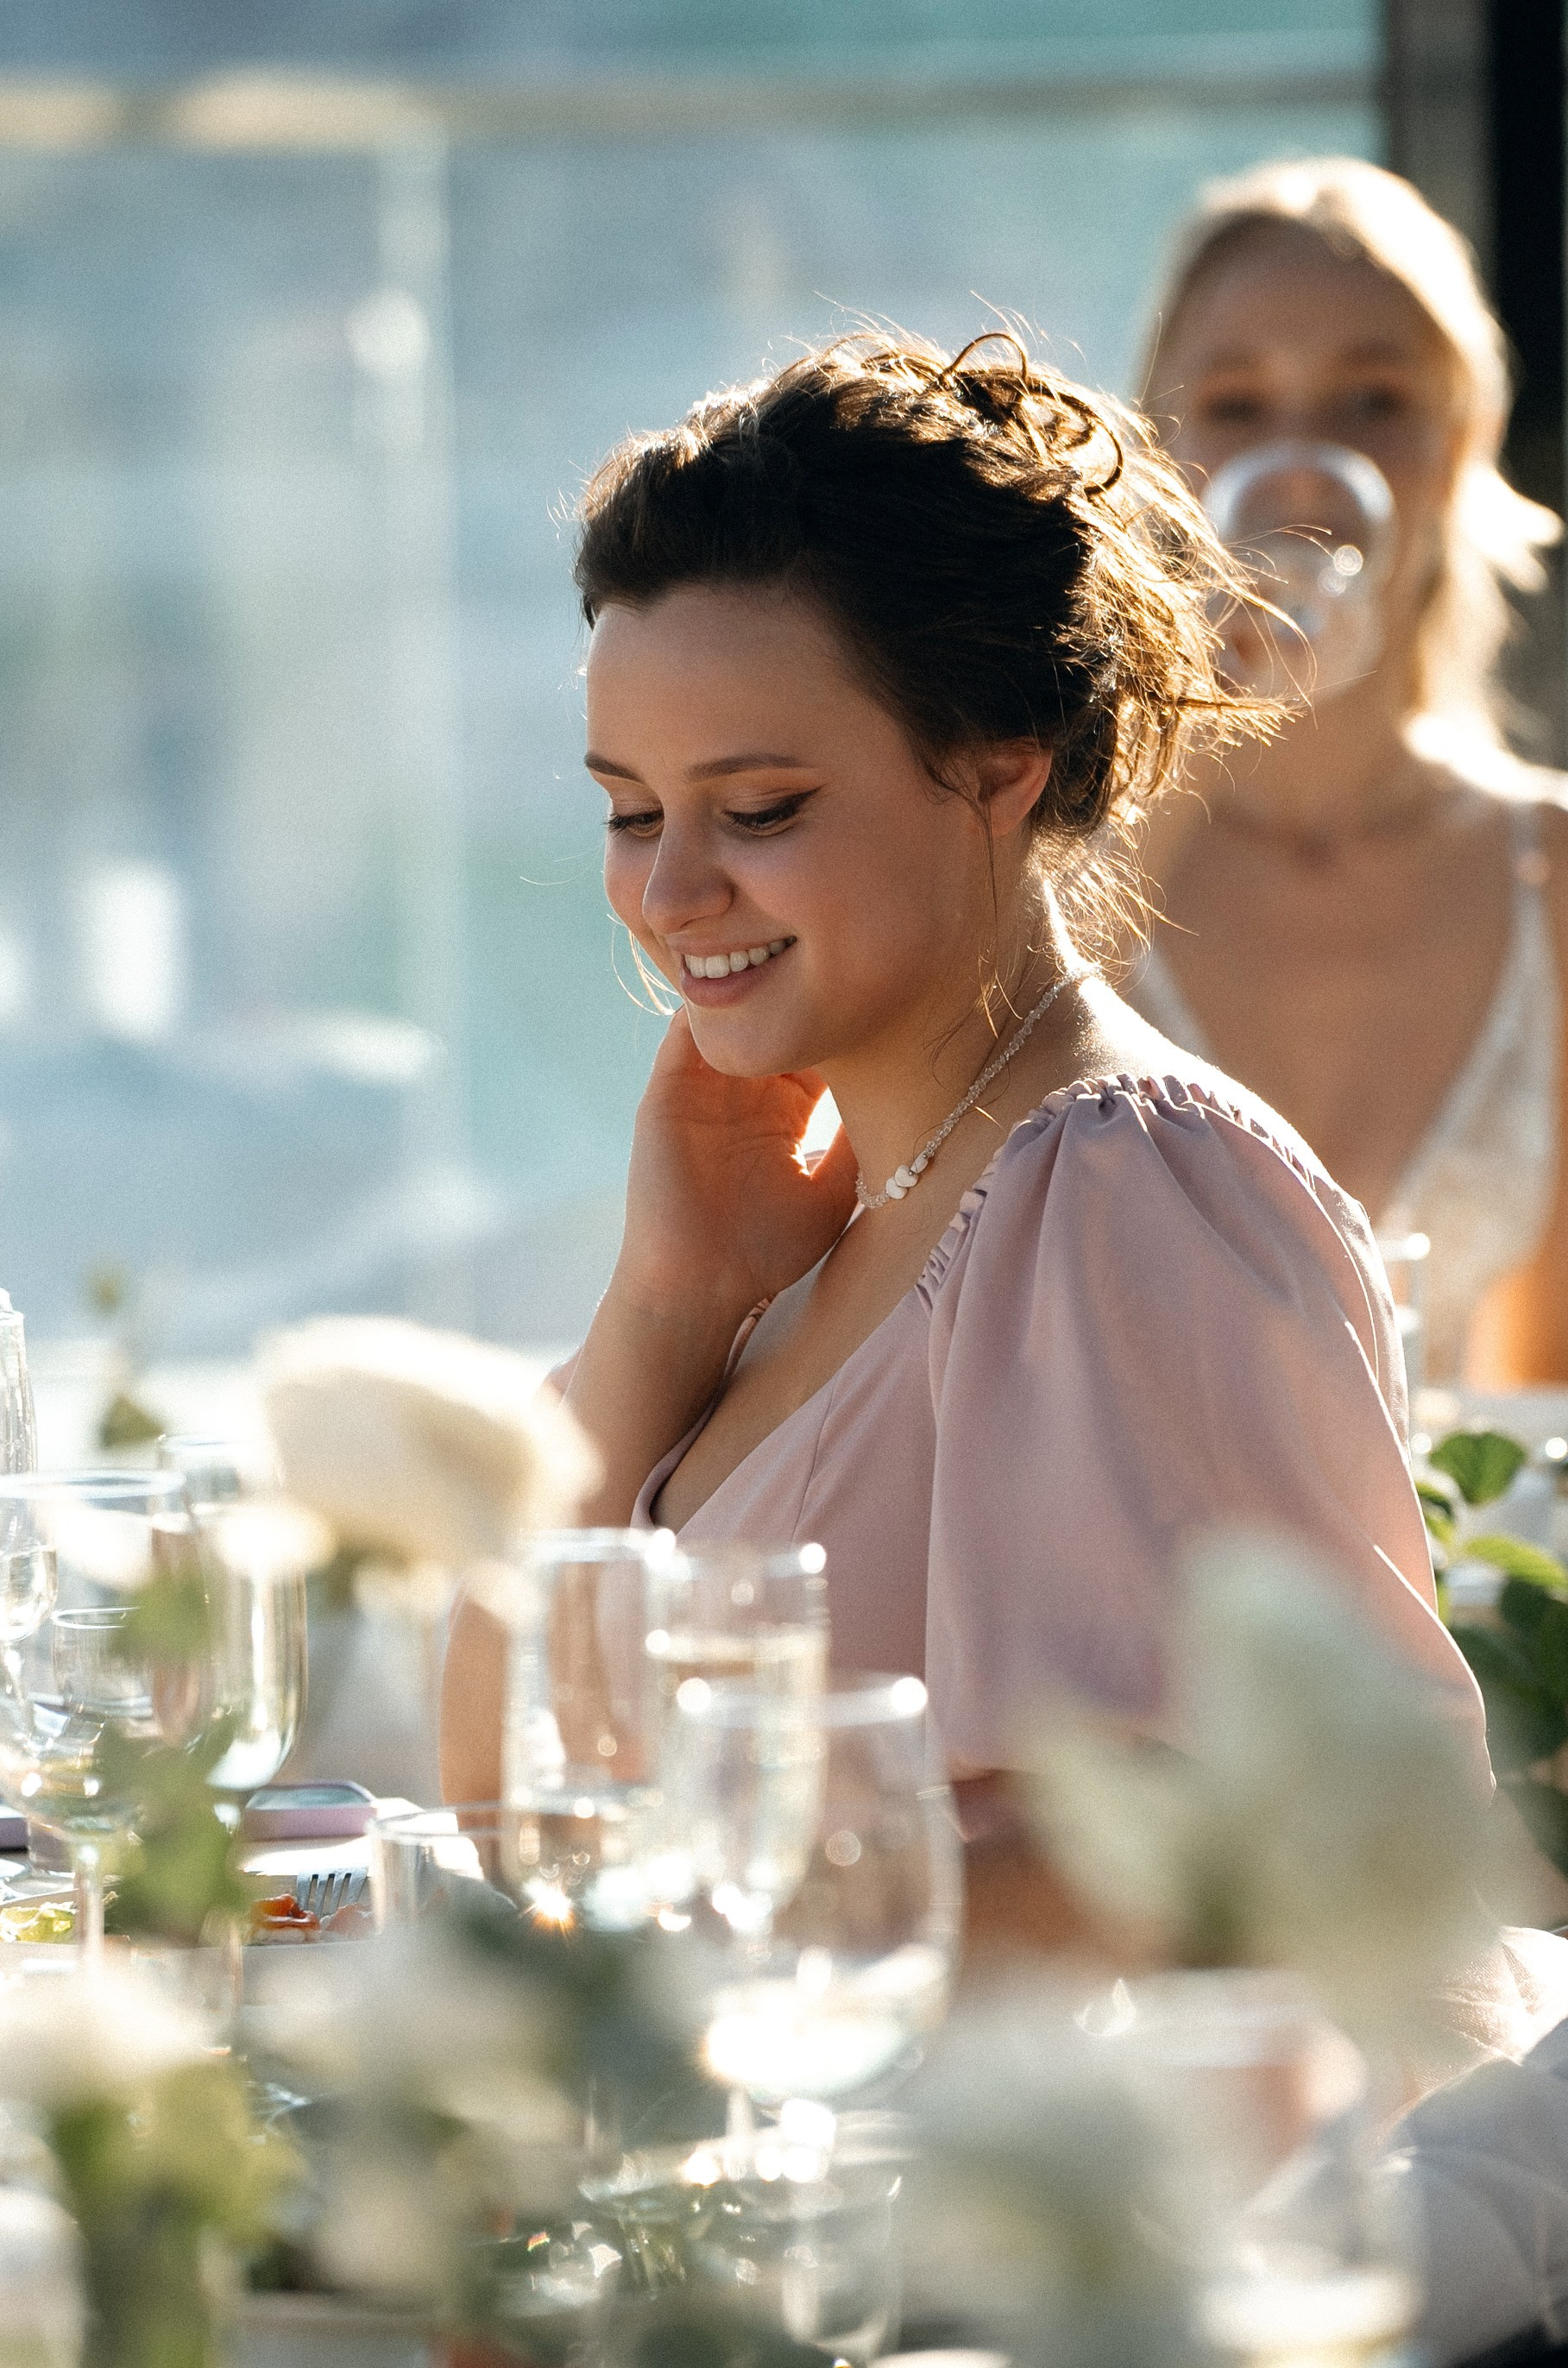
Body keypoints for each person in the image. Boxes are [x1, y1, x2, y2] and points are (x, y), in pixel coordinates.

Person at [439, 329, 1483, 1905]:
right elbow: (496, 1786)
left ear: (1005, 764)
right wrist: (664, 1303)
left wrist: (689, 1973)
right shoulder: (809, 1236)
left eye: (761, 808)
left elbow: (1241, 1854)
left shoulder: (1126, 1185)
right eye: (631, 810)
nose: (666, 891)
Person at [1129, 156, 1568, 1386]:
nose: (1304, 462)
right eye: (1233, 403)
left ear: (1456, 448)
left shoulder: (1552, 874)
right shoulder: (1061, 862)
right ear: (1159, 457)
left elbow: (1538, 1426)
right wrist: (1183, 738)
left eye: (1371, 400)